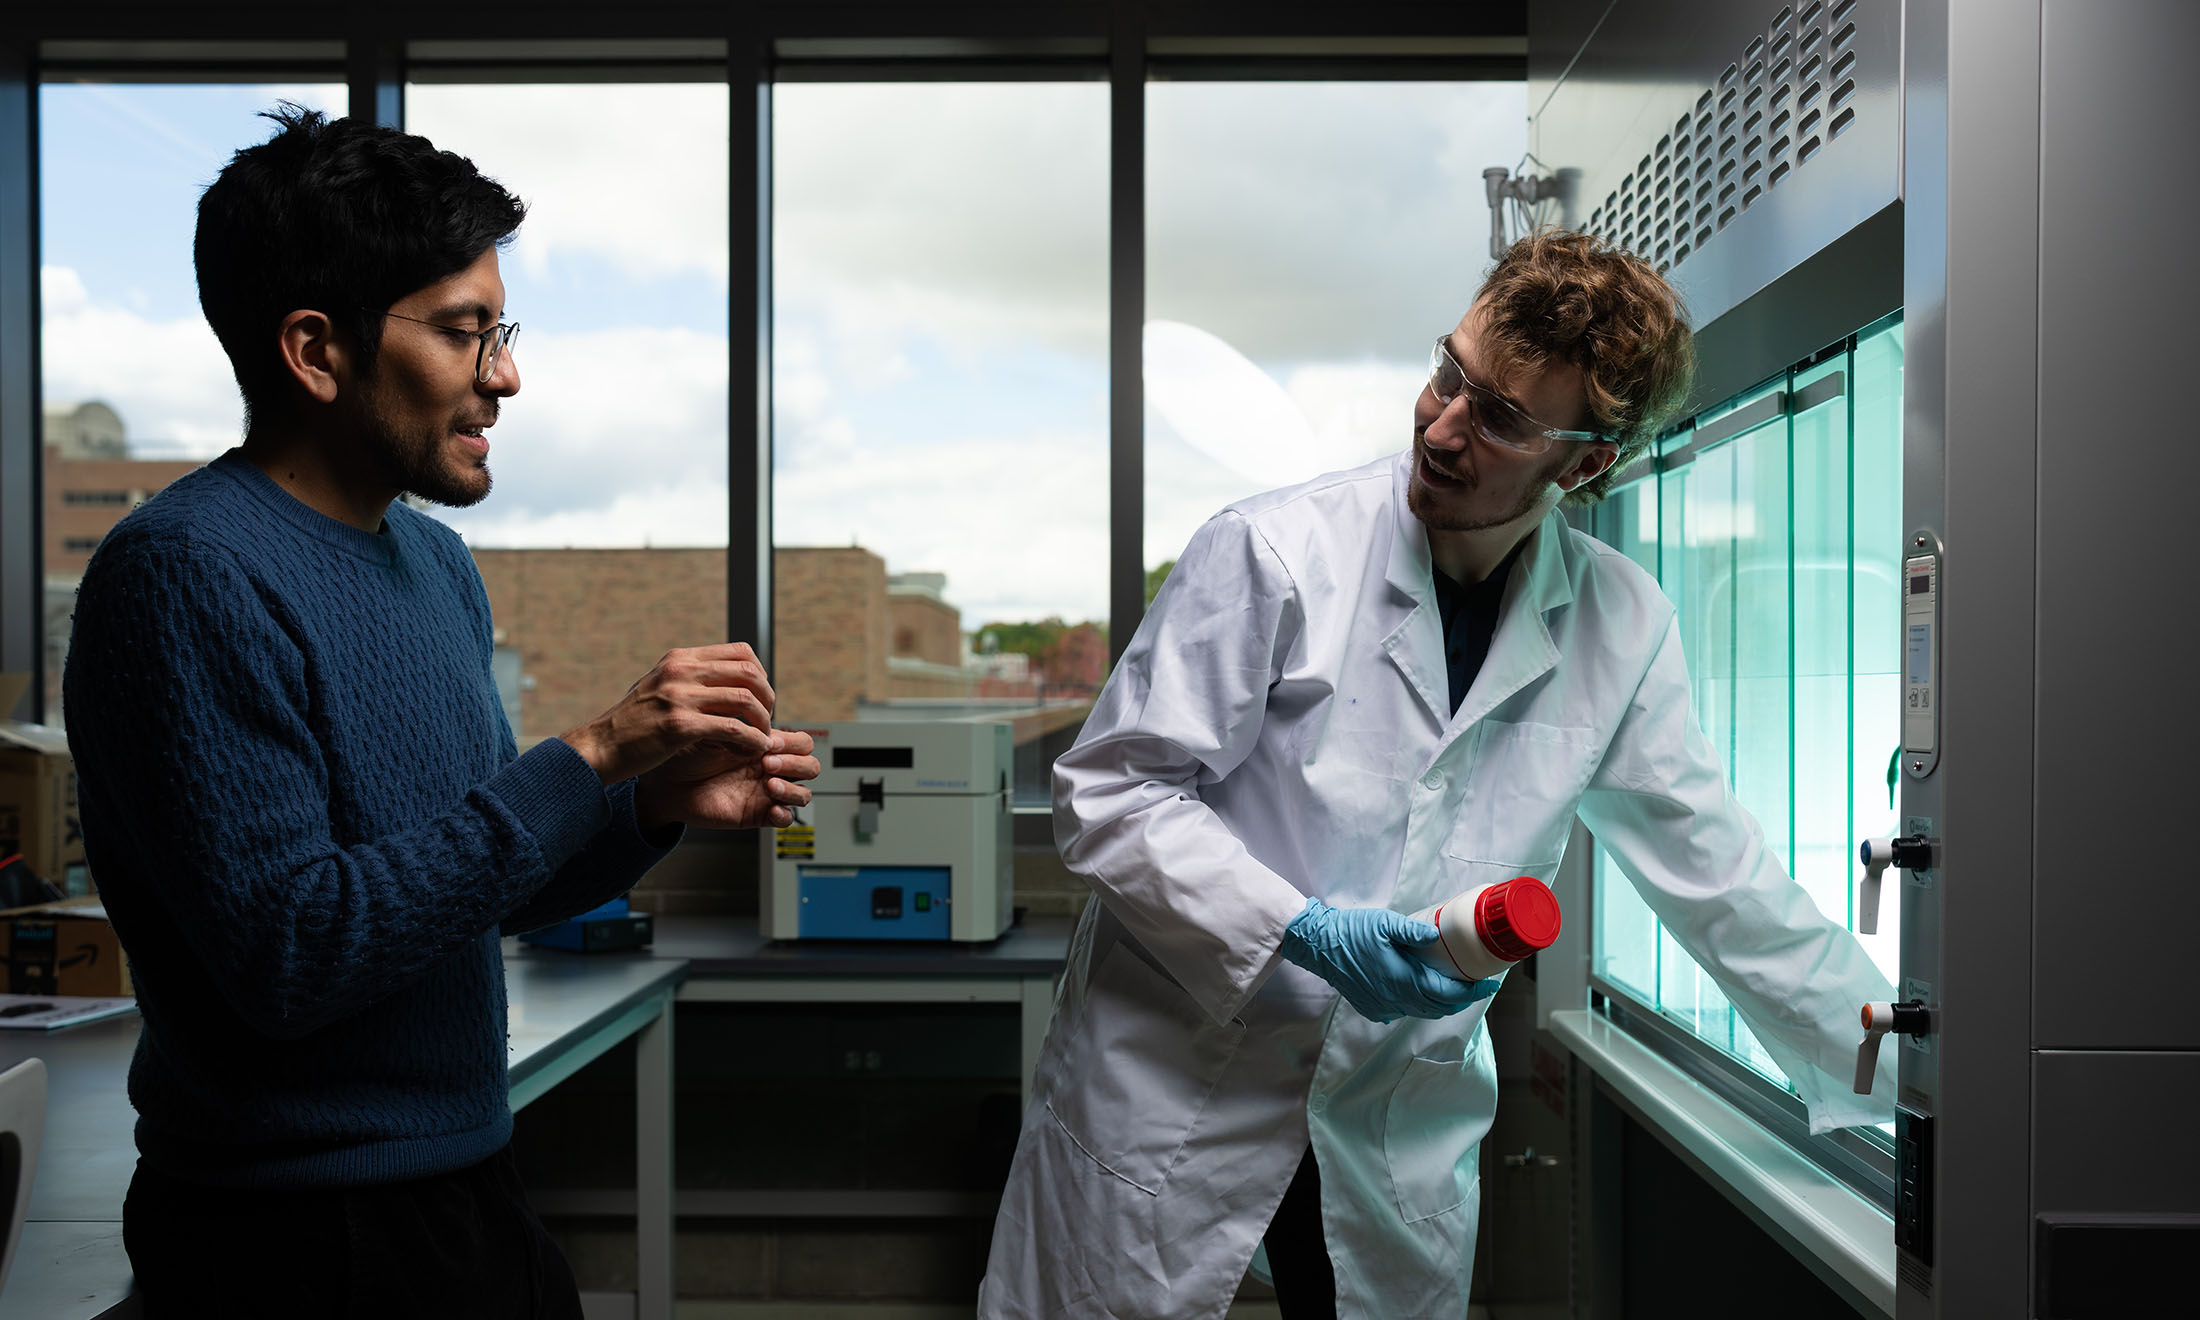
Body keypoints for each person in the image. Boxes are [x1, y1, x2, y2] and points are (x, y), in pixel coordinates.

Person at [979, 231, 1899, 1318]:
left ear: (1585, 465)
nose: (1442, 426)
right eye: (1446, 374)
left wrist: (1907, 1072)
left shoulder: (1621, 624)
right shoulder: (1273, 553)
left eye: (1500, 417)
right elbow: (1108, 794)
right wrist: (1300, 930)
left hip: (1388, 1117)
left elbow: (1720, 877)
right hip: (1175, 1088)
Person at [61, 106, 817, 1319]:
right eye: (465, 333)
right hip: (289, 1236)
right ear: (317, 351)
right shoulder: (184, 574)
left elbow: (471, 891)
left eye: (499, 332)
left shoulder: (435, 565)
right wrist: (589, 751)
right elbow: (295, 956)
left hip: (464, 1183)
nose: (503, 375)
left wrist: (641, 806)